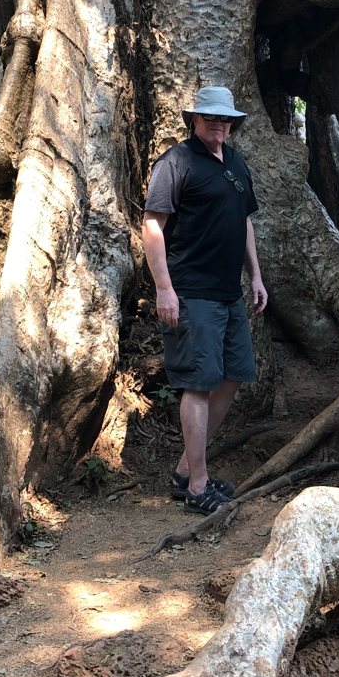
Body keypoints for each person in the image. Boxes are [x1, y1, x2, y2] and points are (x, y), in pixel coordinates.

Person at [142, 86, 268, 515]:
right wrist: (164, 288)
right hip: (191, 293)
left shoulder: (235, 161)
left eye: (225, 118)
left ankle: (185, 472)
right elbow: (152, 225)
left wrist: (255, 275)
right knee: (198, 384)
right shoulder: (175, 162)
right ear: (194, 119)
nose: (219, 124)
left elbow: (244, 221)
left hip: (229, 293)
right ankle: (198, 487)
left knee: (232, 376)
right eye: (210, 117)